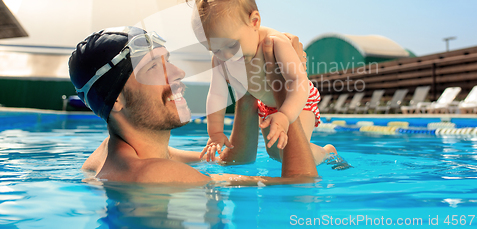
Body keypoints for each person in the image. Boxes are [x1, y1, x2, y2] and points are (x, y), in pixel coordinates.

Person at [69, 26, 318, 185]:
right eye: (154, 67)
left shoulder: (116, 152)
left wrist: (250, 82)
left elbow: (232, 161)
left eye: (169, 61)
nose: (178, 72)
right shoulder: (152, 174)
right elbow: (302, 185)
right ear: (116, 101)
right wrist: (285, 86)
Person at [179, 0, 336, 164]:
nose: (227, 55)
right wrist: (215, 133)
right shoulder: (221, 59)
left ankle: (327, 153)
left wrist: (285, 116)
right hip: (267, 105)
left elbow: (298, 80)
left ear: (254, 21)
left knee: (290, 154)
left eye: (231, 45)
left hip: (298, 99)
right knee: (274, 153)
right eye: (216, 49)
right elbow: (216, 95)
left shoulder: (275, 42)